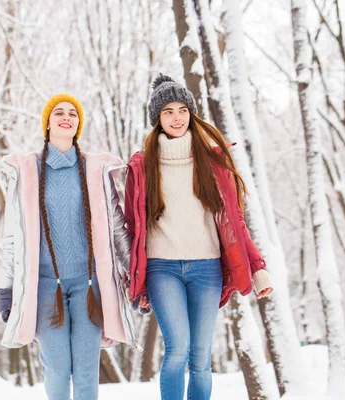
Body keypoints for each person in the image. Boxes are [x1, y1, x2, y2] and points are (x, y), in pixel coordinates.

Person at [124, 74, 273, 399]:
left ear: (191, 113)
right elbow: (132, 230)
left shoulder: (212, 161)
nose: (177, 118)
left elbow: (235, 222)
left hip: (206, 269)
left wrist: (257, 266)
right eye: (168, 112)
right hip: (162, 269)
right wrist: (133, 278)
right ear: (157, 119)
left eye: (182, 110)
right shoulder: (142, 166)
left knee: (201, 358)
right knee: (178, 349)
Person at [0, 93, 137, 400]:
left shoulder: (94, 171)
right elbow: (12, 237)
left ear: (78, 125)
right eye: (59, 112)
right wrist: (6, 289)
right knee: (58, 370)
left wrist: (135, 277)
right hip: (47, 288)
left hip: (90, 287)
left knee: (86, 371)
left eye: (73, 114)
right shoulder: (28, 173)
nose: (66, 117)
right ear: (47, 123)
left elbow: (116, 229)